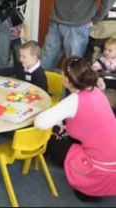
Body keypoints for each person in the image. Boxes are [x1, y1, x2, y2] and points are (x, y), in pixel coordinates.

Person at [34, 56, 116, 202]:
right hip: (112, 163)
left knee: (51, 136)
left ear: (66, 80)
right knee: (63, 127)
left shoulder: (73, 101)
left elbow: (40, 122)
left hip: (96, 169)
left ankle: (85, 183)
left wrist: (56, 119)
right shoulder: (97, 92)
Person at [41, 0, 116, 71]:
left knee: (73, 69)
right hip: (56, 19)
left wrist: (96, 19)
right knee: (45, 62)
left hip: (78, 25)